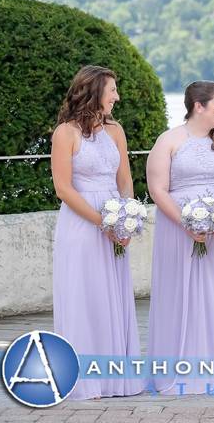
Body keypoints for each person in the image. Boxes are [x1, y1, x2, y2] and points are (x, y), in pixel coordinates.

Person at [146, 81, 214, 394]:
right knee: (181, 294)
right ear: (198, 106)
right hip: (178, 230)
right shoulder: (169, 140)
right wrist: (186, 223)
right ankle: (179, 369)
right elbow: (157, 189)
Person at [51, 65, 142, 399]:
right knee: (84, 295)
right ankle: (84, 379)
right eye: (112, 90)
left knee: (112, 297)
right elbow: (63, 188)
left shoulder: (115, 130)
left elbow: (125, 180)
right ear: (93, 92)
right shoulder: (66, 133)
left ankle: (114, 376)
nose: (117, 96)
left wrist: (127, 218)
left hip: (115, 222)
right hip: (81, 224)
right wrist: (103, 222)